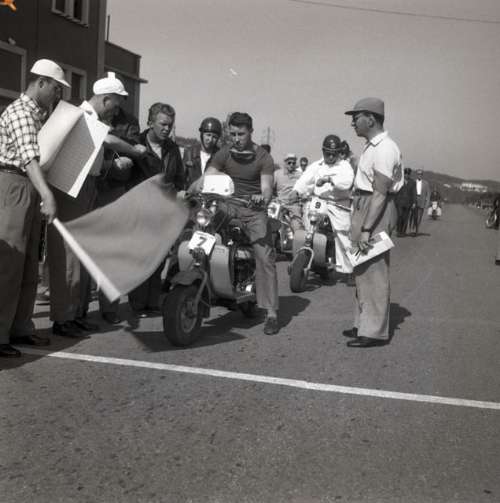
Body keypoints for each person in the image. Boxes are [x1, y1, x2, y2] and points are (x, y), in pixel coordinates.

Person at [48, 73, 146, 336]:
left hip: (87, 186)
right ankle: (63, 318)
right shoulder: (83, 116)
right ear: (105, 99)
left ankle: (75, 314)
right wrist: (133, 150)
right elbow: (108, 140)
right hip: (73, 188)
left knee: (79, 254)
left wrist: (110, 165)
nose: (116, 110)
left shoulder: (94, 120)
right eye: (115, 104)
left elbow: (96, 158)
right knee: (69, 255)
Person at [0, 59, 67, 357]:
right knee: (9, 264)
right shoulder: (20, 112)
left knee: (29, 263)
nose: (57, 94)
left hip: (28, 185)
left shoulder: (38, 115)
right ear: (40, 82)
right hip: (13, 183)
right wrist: (47, 195)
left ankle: (20, 327)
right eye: (55, 88)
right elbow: (28, 159)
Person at [200, 112, 279, 335]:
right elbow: (208, 176)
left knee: (264, 256)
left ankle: (271, 313)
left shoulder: (263, 157)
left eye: (241, 134)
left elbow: (267, 187)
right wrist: (191, 190)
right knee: (202, 226)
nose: (236, 138)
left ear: (250, 132)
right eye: (233, 134)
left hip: (254, 210)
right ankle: (204, 282)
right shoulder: (224, 153)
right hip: (228, 205)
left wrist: (262, 198)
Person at [343, 97, 403, 348]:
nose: (353, 122)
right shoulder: (371, 146)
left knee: (374, 270)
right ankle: (362, 323)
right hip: (364, 204)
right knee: (361, 269)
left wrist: (367, 228)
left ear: (371, 118)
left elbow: (380, 192)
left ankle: (374, 331)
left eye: (356, 117)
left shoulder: (385, 148)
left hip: (375, 208)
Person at [128, 102, 185, 317]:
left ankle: (153, 302)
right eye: (163, 124)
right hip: (140, 210)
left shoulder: (172, 149)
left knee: (159, 258)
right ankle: (138, 304)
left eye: (170, 125)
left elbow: (179, 179)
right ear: (150, 122)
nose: (166, 129)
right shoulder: (136, 144)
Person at [289, 135, 355, 275]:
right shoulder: (316, 166)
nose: (330, 157)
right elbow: (305, 179)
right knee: (310, 228)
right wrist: (296, 190)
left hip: (338, 203)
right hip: (319, 201)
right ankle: (311, 257)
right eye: (327, 153)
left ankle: (349, 269)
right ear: (323, 151)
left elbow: (347, 182)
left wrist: (329, 179)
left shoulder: (345, 166)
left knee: (342, 235)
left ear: (338, 153)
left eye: (334, 154)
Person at [183, 117, 222, 189]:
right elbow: (181, 178)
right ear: (202, 134)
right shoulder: (189, 153)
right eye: (208, 135)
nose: (210, 139)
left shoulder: (220, 155)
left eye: (214, 137)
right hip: (191, 194)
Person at [273, 153, 304, 231]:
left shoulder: (300, 175)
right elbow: (270, 188)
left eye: (293, 163)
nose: (291, 165)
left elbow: (304, 190)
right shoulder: (277, 174)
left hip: (294, 205)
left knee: (297, 227)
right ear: (285, 163)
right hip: (279, 204)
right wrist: (274, 199)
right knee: (272, 224)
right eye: (289, 163)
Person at [395, 167, 416, 236]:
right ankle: (398, 231)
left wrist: (414, 203)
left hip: (408, 203)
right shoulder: (399, 181)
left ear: (410, 174)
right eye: (405, 174)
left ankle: (403, 232)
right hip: (400, 202)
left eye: (408, 174)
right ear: (404, 174)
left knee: (405, 217)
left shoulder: (413, 182)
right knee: (400, 215)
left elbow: (414, 193)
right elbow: (396, 190)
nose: (407, 175)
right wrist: (395, 200)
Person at [410, 168, 430, 236]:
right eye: (418, 174)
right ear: (417, 175)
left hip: (422, 200)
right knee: (414, 215)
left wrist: (427, 202)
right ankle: (413, 226)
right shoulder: (413, 182)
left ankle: (417, 229)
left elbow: (428, 193)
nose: (419, 175)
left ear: (422, 175)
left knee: (419, 216)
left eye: (421, 174)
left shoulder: (426, 183)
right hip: (415, 199)